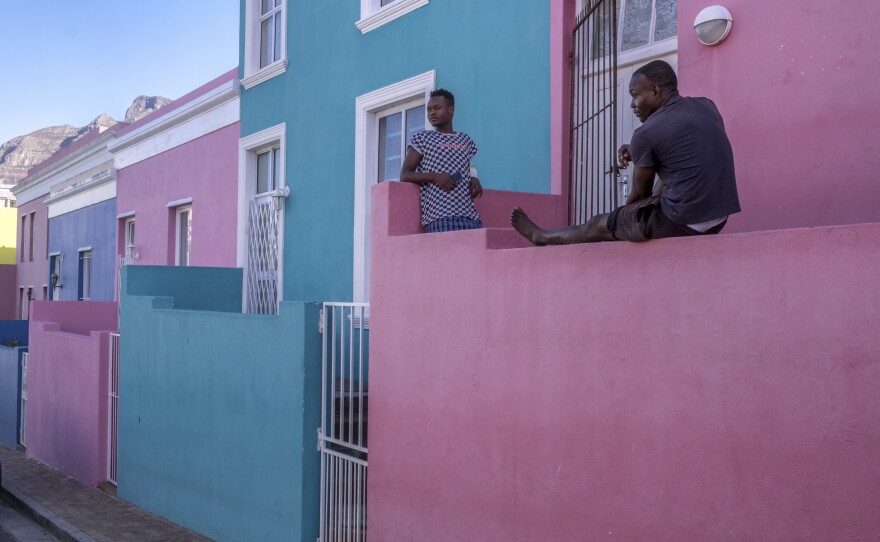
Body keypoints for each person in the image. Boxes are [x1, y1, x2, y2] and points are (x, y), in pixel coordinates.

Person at [511, 60, 740, 245]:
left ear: (656, 91)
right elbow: (683, 151)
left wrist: (616, 220)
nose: (632, 104)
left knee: (598, 224)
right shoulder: (707, 106)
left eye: (635, 95)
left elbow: (639, 199)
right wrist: (641, 153)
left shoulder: (646, 132)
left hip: (684, 221)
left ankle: (540, 236)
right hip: (719, 216)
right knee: (670, 176)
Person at [400, 89, 484, 233]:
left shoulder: (465, 139)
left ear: (451, 110)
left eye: (437, 108)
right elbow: (405, 174)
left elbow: (469, 164)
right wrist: (435, 176)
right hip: (440, 217)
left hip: (470, 217)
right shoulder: (422, 139)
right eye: (429, 109)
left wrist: (474, 178)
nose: (432, 112)